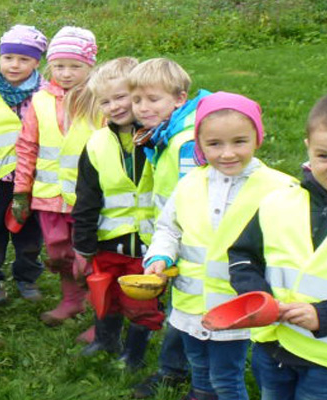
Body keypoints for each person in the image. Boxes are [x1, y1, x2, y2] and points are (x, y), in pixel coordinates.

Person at [143, 92, 296, 400]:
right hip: (190, 303)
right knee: (199, 364)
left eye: (239, 142)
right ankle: (201, 393)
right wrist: (159, 256)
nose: (227, 153)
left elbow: (292, 246)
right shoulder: (190, 183)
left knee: (226, 377)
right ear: (199, 145)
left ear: (258, 138)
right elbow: (169, 228)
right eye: (214, 144)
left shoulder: (281, 188)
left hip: (236, 307)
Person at [227, 89, 327, 400]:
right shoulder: (278, 202)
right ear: (308, 147)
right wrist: (258, 298)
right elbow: (243, 256)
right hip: (272, 346)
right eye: (325, 156)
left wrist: (324, 317)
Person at [128, 57, 209, 398]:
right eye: (137, 100)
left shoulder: (185, 140)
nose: (142, 107)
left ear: (179, 99)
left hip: (190, 243)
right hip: (172, 238)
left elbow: (194, 197)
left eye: (152, 99)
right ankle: (182, 369)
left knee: (186, 311)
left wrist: (173, 245)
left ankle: (180, 372)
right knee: (182, 308)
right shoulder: (164, 133)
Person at [71, 57, 159, 371]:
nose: (114, 106)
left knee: (142, 300)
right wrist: (83, 243)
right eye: (105, 101)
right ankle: (105, 340)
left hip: (149, 244)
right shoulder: (96, 144)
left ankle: (134, 354)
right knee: (104, 295)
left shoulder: (159, 139)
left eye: (121, 97)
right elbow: (86, 198)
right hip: (107, 242)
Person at [16, 26, 99, 320]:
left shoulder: (100, 100)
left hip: (86, 198)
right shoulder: (40, 100)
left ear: (90, 66)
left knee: (87, 254)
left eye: (75, 66)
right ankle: (71, 299)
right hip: (49, 196)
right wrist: (21, 190)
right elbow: (27, 146)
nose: (66, 73)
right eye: (59, 66)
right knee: (58, 253)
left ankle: (96, 305)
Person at [0, 24, 48, 305]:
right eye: (8, 58)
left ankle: (27, 276)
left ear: (36, 62)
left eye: (23, 59)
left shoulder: (46, 96)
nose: (14, 65)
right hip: (0, 179)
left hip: (36, 179)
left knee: (30, 230)